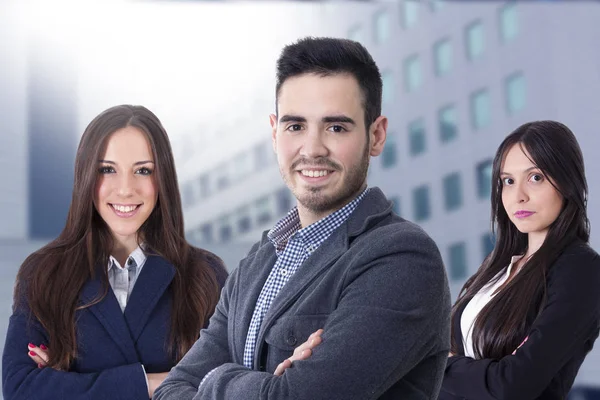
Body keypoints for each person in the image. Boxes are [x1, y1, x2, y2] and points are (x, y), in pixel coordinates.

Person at [154, 37, 451, 400]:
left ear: (376, 136)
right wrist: (267, 386)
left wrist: (218, 380)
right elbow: (169, 392)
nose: (312, 149)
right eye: (295, 127)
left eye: (336, 127)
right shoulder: (255, 265)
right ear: (274, 132)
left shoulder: (402, 258)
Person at [2, 105, 228, 400]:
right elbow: (20, 390)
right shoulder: (45, 273)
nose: (125, 190)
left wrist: (67, 383)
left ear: (163, 179)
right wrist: (150, 383)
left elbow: (225, 382)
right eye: (107, 170)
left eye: (143, 171)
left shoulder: (204, 275)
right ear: (86, 175)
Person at [440, 120, 600, 399]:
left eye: (535, 177)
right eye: (508, 181)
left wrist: (442, 365)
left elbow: (512, 385)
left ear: (566, 181)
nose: (518, 196)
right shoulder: (498, 268)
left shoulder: (581, 270)